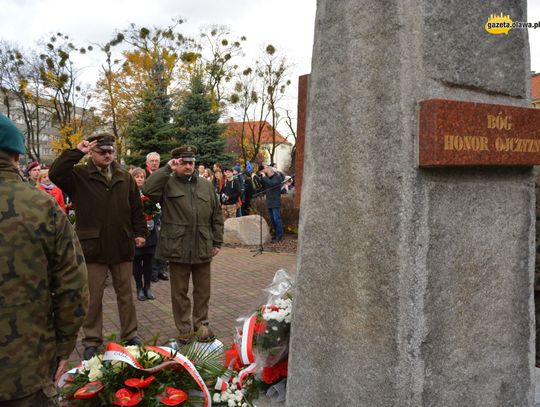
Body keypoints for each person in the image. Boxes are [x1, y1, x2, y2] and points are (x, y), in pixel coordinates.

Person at [0, 113, 89, 405]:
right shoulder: (40, 206)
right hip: (26, 368)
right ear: (17, 155)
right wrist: (64, 348)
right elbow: (73, 286)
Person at [49, 132, 147, 360]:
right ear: (92, 153)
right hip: (93, 248)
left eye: (110, 151)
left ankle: (130, 334)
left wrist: (140, 232)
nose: (107, 155)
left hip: (122, 245)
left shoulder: (124, 176)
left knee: (126, 295)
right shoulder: (79, 175)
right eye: (102, 151)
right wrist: (76, 152)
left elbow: (135, 208)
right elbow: (55, 173)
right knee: (93, 298)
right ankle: (92, 340)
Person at [143, 144, 224, 344]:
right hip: (177, 246)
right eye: (184, 162)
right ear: (176, 162)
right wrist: (166, 168)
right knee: (179, 292)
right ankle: (184, 330)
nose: (188, 166)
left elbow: (217, 214)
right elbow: (147, 189)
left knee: (203, 290)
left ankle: (201, 324)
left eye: (191, 162)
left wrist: (217, 241)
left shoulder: (205, 185)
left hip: (203, 245)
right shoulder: (167, 183)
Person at [131, 167, 158, 301]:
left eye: (142, 176)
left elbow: (157, 210)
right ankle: (139, 288)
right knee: (137, 262)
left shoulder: (150, 193)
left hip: (150, 233)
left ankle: (148, 287)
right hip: (135, 234)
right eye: (137, 176)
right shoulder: (128, 193)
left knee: (149, 262)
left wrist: (153, 218)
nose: (140, 178)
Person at [144, 152, 169, 282]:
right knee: (153, 243)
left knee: (163, 241)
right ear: (147, 162)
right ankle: (152, 271)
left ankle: (162, 269)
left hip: (163, 211)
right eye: (152, 161)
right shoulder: (143, 175)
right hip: (149, 212)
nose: (154, 163)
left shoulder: (164, 175)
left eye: (156, 161)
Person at [256, 164, 284, 242]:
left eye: (264, 169)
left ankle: (279, 236)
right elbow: (261, 185)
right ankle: (275, 235)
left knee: (276, 219)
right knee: (272, 220)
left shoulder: (277, 177)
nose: (263, 171)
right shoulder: (267, 178)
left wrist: (264, 177)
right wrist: (261, 177)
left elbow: (272, 184)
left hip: (275, 201)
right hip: (269, 201)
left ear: (268, 169)